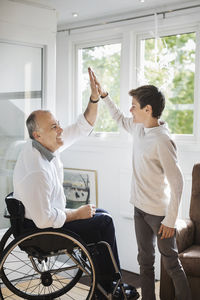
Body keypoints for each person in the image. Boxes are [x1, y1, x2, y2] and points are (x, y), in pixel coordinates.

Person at [13, 68, 137, 300]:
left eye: (58, 124)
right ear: (37, 135)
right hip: (42, 231)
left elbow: (83, 125)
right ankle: (110, 288)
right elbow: (44, 220)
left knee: (102, 215)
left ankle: (108, 284)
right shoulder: (37, 170)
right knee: (104, 222)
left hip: (46, 219)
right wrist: (77, 214)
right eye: (54, 127)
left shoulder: (46, 145)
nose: (60, 129)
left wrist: (94, 96)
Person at [89, 69, 192, 300]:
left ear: (148, 110)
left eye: (134, 105)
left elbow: (177, 181)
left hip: (159, 215)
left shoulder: (163, 140)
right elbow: (117, 117)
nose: (130, 109)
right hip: (139, 209)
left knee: (172, 264)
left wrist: (171, 219)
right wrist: (104, 95)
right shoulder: (139, 128)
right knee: (145, 263)